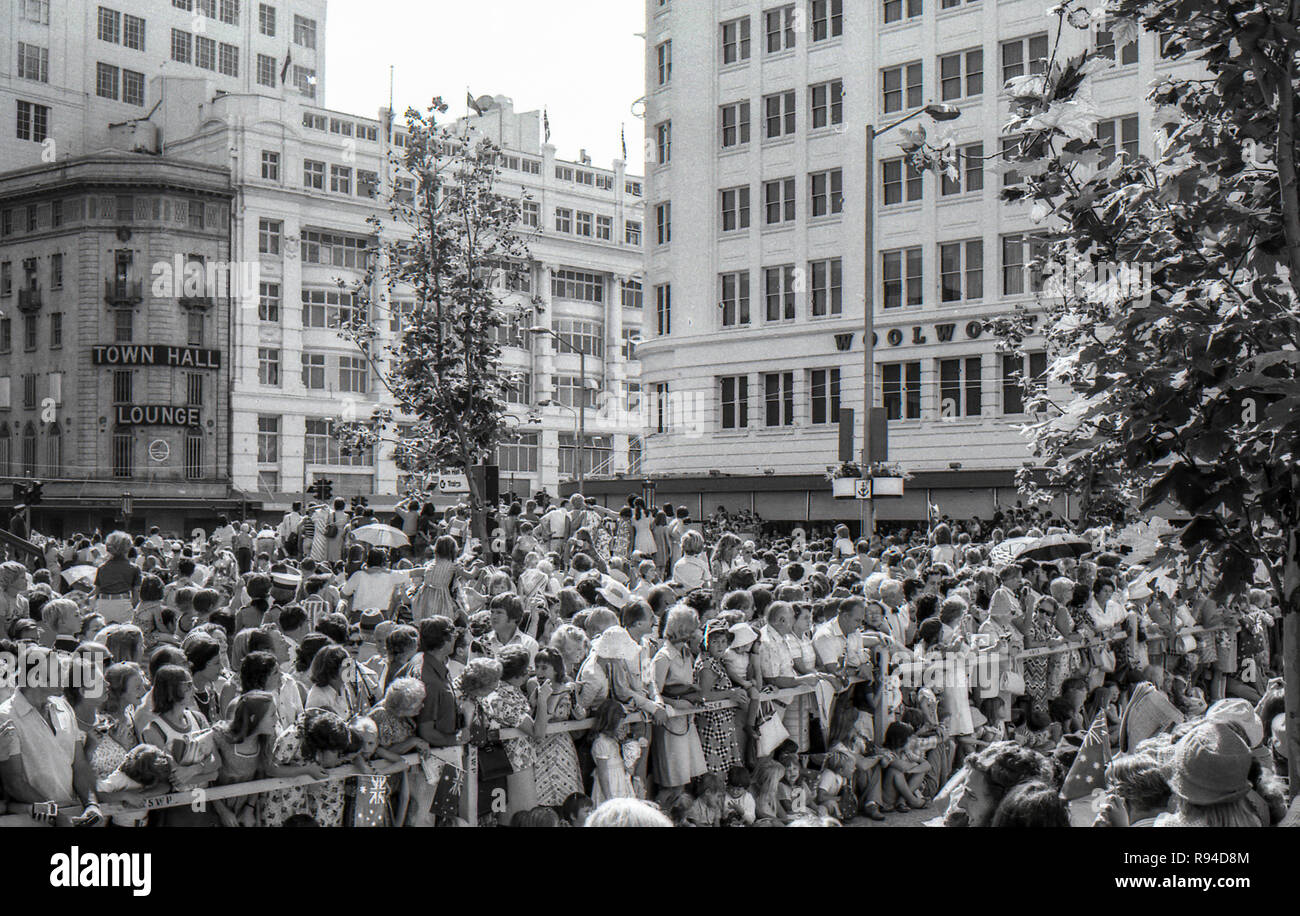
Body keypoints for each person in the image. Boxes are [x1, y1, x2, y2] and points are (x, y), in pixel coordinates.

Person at [90, 531, 141, 625]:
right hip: (123, 604)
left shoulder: (102, 567)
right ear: (128, 548)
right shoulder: (134, 568)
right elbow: (136, 596)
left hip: (103, 603)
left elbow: (96, 592)